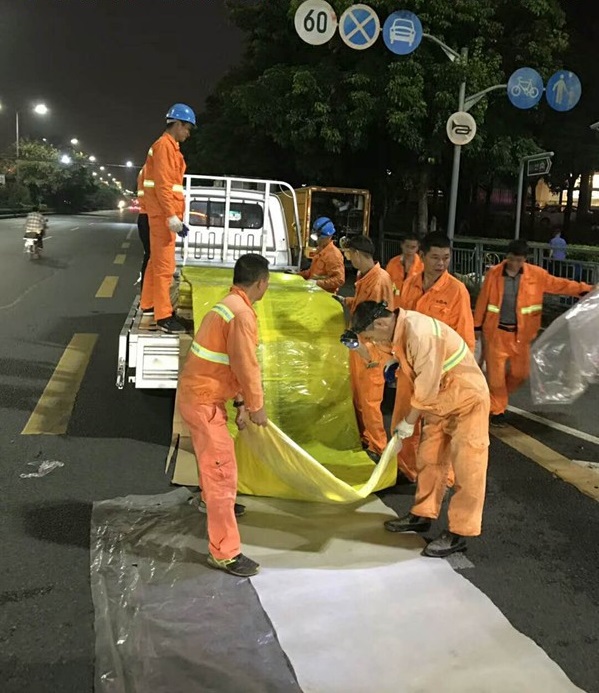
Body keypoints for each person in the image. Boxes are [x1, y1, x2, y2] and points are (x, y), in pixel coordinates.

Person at [350, 301, 490, 558]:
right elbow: (383, 359)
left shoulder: (420, 333)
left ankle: (459, 532)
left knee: (468, 469)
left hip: (467, 400)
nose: (371, 339)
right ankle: (422, 514)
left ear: (381, 323)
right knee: (429, 460)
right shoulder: (397, 332)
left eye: (370, 334)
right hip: (440, 402)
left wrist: (408, 422)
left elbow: (425, 386)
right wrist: (358, 346)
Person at [178, 254, 270, 578]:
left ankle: (213, 506)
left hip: (201, 396)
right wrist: (257, 407)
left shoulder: (228, 304)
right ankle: (225, 552)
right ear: (262, 282)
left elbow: (229, 364)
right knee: (222, 474)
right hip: (204, 401)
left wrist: (242, 404)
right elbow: (246, 365)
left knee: (212, 465)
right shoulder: (242, 314)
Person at [474, 239, 593, 427]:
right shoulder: (494, 274)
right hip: (496, 334)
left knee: (520, 374)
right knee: (495, 378)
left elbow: (560, 285)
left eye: (519, 260)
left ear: (524, 259)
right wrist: (477, 326)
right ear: (507, 257)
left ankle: (497, 398)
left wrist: (586, 290)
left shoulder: (536, 275)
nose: (514, 264)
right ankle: (497, 409)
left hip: (521, 337)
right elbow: (483, 300)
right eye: (512, 259)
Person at [391, 232, 475, 483]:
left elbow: (466, 337)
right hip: (411, 369)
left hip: (441, 373)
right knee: (403, 422)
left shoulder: (456, 291)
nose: (441, 264)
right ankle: (405, 469)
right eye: (436, 257)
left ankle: (442, 478)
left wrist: (458, 376)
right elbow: (402, 324)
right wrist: (395, 357)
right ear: (422, 256)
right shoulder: (411, 284)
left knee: (438, 429)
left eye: (446, 258)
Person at [336, 235, 394, 462]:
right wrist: (345, 301)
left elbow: (373, 316)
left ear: (358, 254)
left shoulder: (378, 280)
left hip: (373, 348)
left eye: (349, 255)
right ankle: (367, 439)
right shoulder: (367, 278)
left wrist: (352, 335)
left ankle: (378, 447)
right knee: (360, 399)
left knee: (370, 402)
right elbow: (363, 306)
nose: (349, 260)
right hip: (363, 345)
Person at [140, 103, 196, 334]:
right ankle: (164, 317)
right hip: (163, 215)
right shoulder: (164, 146)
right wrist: (171, 216)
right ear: (178, 124)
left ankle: (149, 304)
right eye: (188, 128)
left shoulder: (170, 148)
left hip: (162, 214)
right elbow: (163, 186)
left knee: (155, 262)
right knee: (165, 267)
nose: (188, 133)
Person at [299, 217, 345, 293]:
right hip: (314, 291)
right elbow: (312, 272)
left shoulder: (334, 255)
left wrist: (317, 283)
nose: (317, 240)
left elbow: (339, 279)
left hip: (325, 295)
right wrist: (297, 275)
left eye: (320, 238)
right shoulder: (320, 250)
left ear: (329, 237)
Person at [385, 232, 423, 308]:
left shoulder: (422, 266)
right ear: (402, 245)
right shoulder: (393, 263)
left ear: (418, 247)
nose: (409, 250)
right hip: (393, 306)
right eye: (407, 246)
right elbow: (386, 284)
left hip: (413, 309)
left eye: (413, 247)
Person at [136, 166, 150, 289]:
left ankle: (146, 291)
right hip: (150, 216)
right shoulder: (153, 169)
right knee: (152, 256)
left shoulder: (145, 169)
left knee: (149, 255)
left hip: (145, 215)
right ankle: (147, 292)